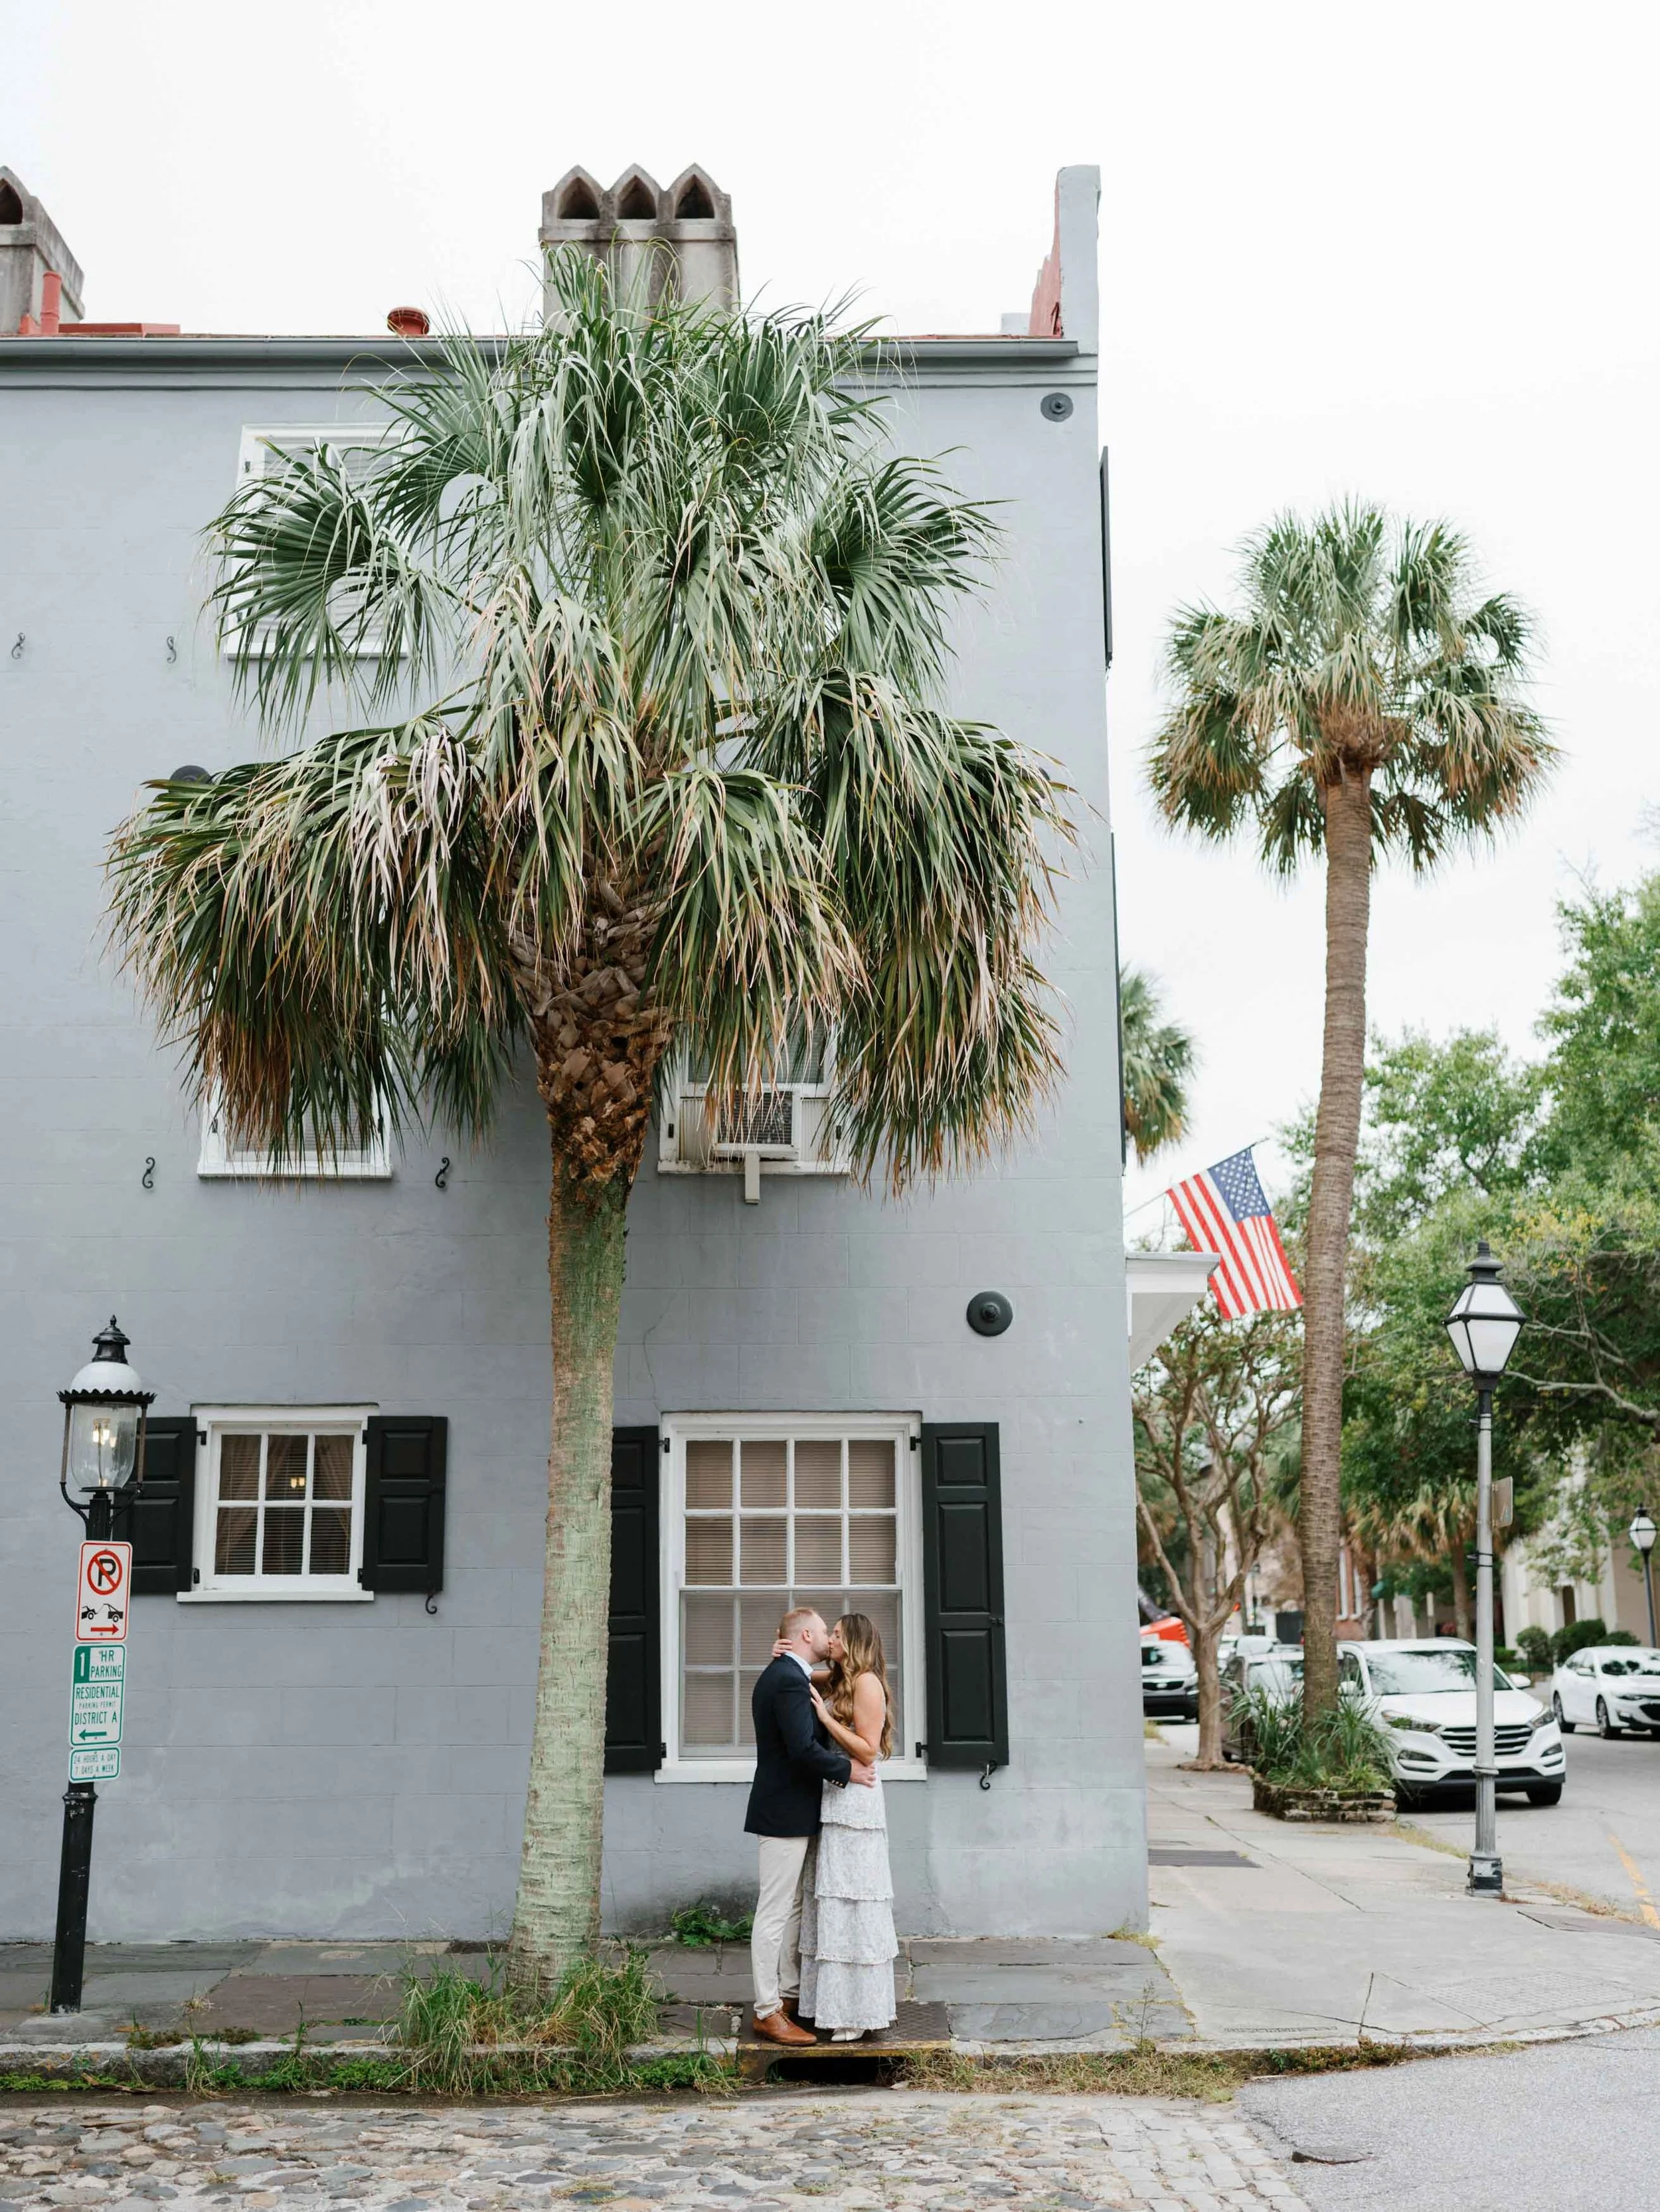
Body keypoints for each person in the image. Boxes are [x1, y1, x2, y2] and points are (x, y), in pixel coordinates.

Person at [745, 1606, 874, 2048]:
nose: (828, 1640)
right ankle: (767, 2010)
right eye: (824, 1632)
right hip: (783, 1811)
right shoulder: (785, 1678)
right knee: (775, 1911)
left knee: (794, 1908)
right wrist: (847, 1771)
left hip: (795, 1810)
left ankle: (789, 1993)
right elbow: (801, 1749)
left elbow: (835, 1682)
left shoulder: (790, 1674)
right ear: (805, 1635)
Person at [796, 1613, 899, 2042]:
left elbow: (869, 1750)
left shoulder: (868, 1683)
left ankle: (859, 2011)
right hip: (835, 1793)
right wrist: (787, 1652)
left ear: (853, 1641)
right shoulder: (839, 1677)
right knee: (831, 1897)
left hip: (857, 1798)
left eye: (837, 1635)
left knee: (853, 1898)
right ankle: (829, 2005)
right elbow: (803, 1672)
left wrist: (826, 1720)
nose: (831, 1640)